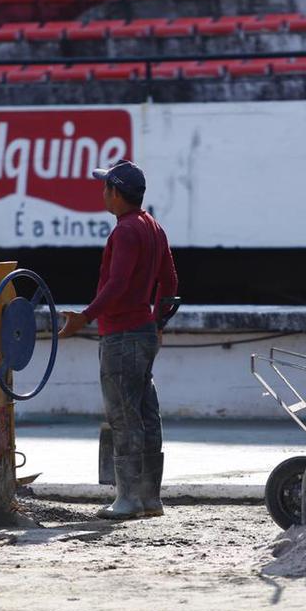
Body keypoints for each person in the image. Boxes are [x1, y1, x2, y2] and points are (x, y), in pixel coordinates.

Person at [59, 160, 179, 520]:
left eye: (105, 187)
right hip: (143, 333)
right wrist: (158, 322)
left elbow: (117, 285)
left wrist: (85, 317)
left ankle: (127, 499)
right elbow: (170, 282)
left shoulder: (125, 231)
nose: (102, 193)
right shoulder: (153, 226)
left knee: (124, 417)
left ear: (115, 192)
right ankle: (150, 499)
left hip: (121, 335)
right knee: (146, 414)